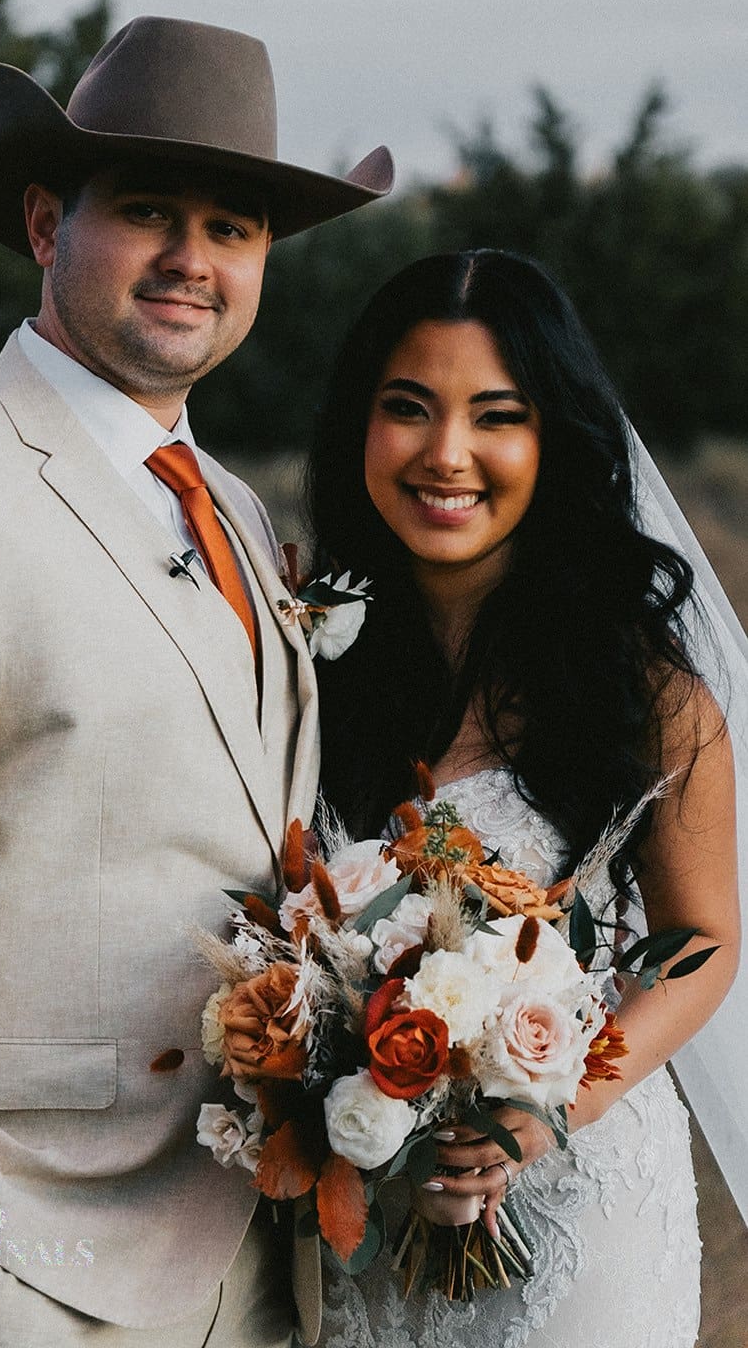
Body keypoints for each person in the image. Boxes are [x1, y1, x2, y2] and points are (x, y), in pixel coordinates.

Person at [0, 15, 393, 1348]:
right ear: (45, 223)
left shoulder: (232, 508)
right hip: (23, 1270)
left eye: (231, 228)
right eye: (148, 211)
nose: (192, 258)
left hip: (251, 1261)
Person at [305, 249, 742, 1348]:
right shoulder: (303, 667)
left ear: (555, 440)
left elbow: (700, 939)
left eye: (495, 415)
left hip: (577, 1202)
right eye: (408, 408)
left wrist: (540, 1111)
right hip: (369, 1203)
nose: (445, 453)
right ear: (359, 424)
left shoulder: (645, 694)